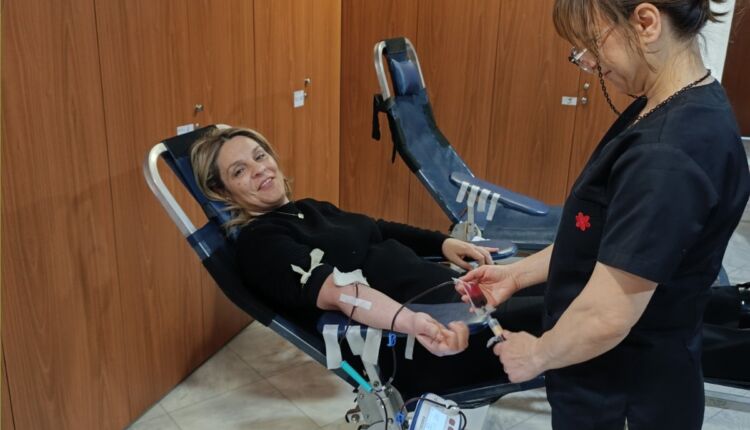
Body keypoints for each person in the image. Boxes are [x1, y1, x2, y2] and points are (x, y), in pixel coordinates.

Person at [459, 1, 750, 429]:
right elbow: (603, 240)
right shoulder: (676, 103)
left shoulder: (667, 155)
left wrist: (536, 355)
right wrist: (516, 275)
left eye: (592, 44)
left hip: (625, 394)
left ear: (646, 23)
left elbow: (607, 315)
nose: (590, 63)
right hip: (621, 375)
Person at [189, 125, 544, 398]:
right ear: (221, 192)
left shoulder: (309, 209)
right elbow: (340, 292)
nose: (259, 169)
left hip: (455, 298)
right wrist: (413, 323)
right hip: (425, 340)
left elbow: (377, 228)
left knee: (561, 280)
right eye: (239, 171)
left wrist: (443, 242)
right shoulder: (261, 242)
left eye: (260, 156)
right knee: (565, 306)